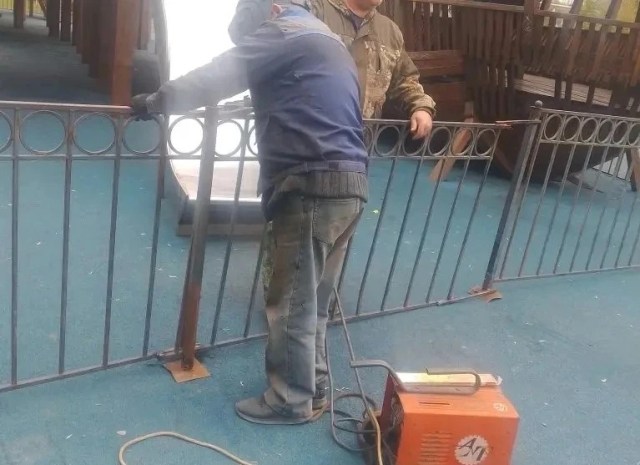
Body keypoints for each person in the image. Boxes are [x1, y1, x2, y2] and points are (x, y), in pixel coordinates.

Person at [132, 1, 368, 425]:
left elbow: (218, 75)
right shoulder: (329, 39)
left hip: (309, 185)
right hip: (350, 184)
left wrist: (155, 102)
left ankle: (289, 400)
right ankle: (314, 387)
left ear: (271, 10)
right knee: (314, 301)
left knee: (291, 303)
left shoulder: (282, 31)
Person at [230, 0, 436, 301]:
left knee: (334, 227)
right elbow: (250, 37)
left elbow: (405, 78)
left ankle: (315, 300)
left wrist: (421, 106)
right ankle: (284, 302)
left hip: (352, 148)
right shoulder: (311, 10)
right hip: (301, 144)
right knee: (290, 224)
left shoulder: (389, 31)